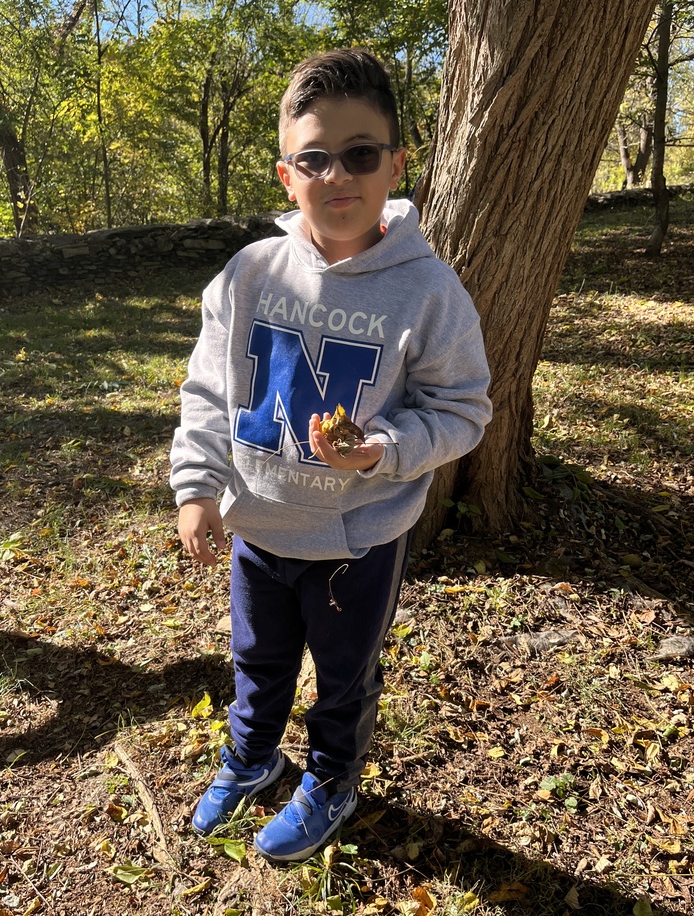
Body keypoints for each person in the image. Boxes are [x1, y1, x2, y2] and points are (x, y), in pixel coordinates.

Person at [169, 48, 492, 863]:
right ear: (287, 175)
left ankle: (333, 778)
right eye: (315, 158)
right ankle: (251, 758)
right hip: (259, 530)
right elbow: (209, 391)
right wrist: (197, 486)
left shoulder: (428, 292)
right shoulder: (247, 275)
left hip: (357, 543)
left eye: (359, 154)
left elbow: (462, 410)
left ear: (395, 164)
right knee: (256, 660)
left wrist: (381, 451)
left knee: (343, 681)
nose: (337, 174)